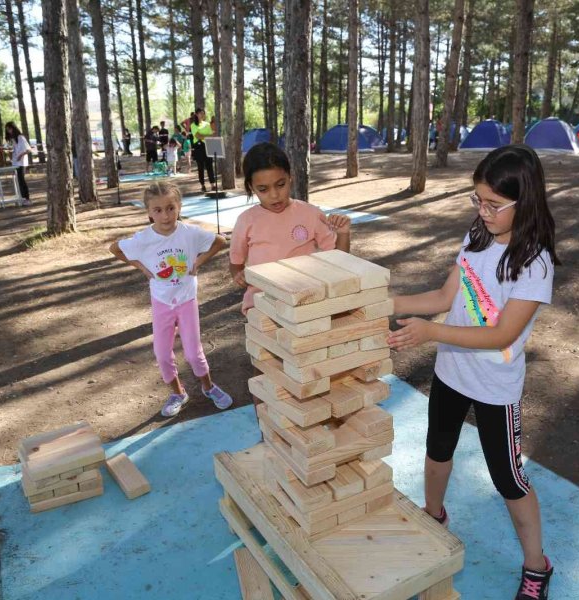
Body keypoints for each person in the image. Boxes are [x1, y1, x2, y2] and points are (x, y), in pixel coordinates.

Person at [388, 145, 560, 600]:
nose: (482, 212)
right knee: (437, 451)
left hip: (494, 389)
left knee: (509, 479)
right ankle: (433, 516)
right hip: (450, 374)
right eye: (476, 200)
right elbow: (445, 297)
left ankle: (536, 566)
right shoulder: (477, 237)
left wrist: (431, 333)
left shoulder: (534, 264)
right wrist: (386, 303)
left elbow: (502, 335)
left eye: (492, 205)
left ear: (525, 203)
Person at [108, 180, 233, 417]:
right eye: (158, 210)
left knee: (194, 353)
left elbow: (220, 241)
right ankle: (178, 393)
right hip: (162, 303)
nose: (165, 216)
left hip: (187, 300)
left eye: (170, 208)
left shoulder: (190, 233)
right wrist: (141, 268)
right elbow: (115, 248)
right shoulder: (144, 238)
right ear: (148, 212)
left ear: (179, 208)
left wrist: (198, 262)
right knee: (162, 355)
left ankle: (209, 387)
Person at [229, 142, 352, 314]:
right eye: (263, 189)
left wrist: (343, 233)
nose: (274, 195)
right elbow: (236, 263)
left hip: (306, 295)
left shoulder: (310, 214)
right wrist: (239, 275)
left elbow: (339, 260)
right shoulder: (246, 221)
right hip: (261, 299)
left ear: (290, 177)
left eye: (280, 184)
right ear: (251, 187)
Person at [190, 107, 217, 193]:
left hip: (208, 145)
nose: (202, 115)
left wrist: (208, 134)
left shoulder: (207, 124)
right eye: (200, 113)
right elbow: (198, 136)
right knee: (200, 167)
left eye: (203, 113)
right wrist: (207, 136)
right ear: (196, 114)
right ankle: (203, 185)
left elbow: (212, 134)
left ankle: (213, 185)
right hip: (198, 147)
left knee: (209, 166)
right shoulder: (193, 125)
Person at [4, 122, 32, 204]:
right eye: (7, 130)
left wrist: (21, 155)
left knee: (21, 180)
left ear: (13, 128)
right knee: (17, 181)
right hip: (15, 163)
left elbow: (28, 150)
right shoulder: (11, 140)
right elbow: (11, 151)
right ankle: (21, 197)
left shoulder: (21, 137)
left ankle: (27, 198)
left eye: (9, 129)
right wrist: (9, 154)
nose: (9, 131)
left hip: (22, 163)